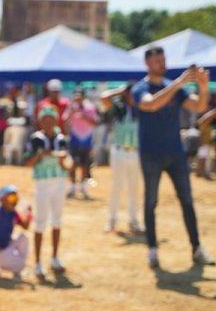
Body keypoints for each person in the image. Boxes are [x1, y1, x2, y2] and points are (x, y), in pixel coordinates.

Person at [132, 48, 214, 268]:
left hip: (175, 153)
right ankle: (152, 249)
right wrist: (179, 82)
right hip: (151, 154)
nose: (162, 63)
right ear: (147, 63)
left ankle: (196, 248)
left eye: (164, 60)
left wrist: (203, 86)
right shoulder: (141, 88)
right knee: (151, 202)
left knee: (187, 201)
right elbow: (151, 104)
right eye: (158, 60)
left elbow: (199, 106)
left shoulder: (175, 88)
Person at [25, 106, 71, 279]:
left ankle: (55, 257)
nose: (49, 123)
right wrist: (40, 155)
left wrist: (62, 161)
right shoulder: (36, 139)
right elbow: (28, 162)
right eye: (45, 120)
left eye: (52, 119)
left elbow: (66, 164)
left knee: (57, 220)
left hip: (58, 182)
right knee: (40, 221)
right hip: (42, 183)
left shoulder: (61, 139)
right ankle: (37, 262)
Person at [101, 82, 143, 233]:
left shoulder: (140, 108)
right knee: (117, 187)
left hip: (135, 152)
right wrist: (120, 91)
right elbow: (104, 98)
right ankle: (112, 219)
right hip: (119, 151)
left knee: (134, 188)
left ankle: (133, 220)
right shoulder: (119, 108)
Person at [64, 87, 99, 199]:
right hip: (74, 140)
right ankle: (73, 187)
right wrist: (72, 111)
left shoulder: (90, 108)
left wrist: (83, 115)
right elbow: (64, 120)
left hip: (87, 140)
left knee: (85, 164)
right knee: (73, 163)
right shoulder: (71, 107)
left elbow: (95, 122)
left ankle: (83, 188)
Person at [196, 106, 215, 180]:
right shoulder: (203, 124)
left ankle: (200, 173)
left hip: (206, 143)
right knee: (202, 158)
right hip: (203, 143)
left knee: (203, 158)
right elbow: (202, 121)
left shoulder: (207, 125)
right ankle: (200, 172)